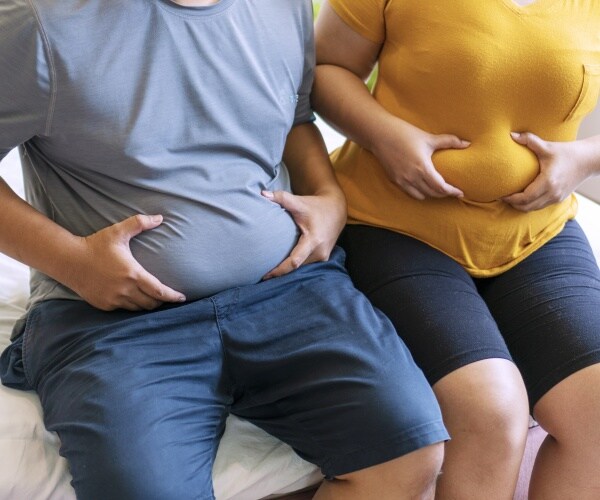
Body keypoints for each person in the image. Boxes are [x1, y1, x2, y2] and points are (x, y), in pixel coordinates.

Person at [0, 0, 450, 498]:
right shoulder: (40, 21)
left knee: (408, 449)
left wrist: (328, 196)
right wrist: (72, 262)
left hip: (288, 289)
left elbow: (296, 120)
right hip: (111, 324)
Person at [312, 0, 600, 498]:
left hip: (536, 232)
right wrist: (384, 137)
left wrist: (584, 158)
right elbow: (325, 67)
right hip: (392, 225)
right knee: (491, 410)